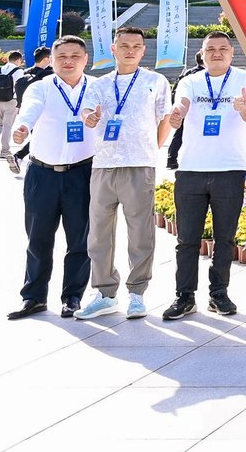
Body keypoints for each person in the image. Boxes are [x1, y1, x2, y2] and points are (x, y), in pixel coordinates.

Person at [74, 28, 172, 321]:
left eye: (136, 46)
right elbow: (86, 112)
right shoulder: (100, 84)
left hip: (139, 165)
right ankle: (105, 293)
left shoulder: (155, 81)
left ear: (143, 50)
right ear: (113, 48)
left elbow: (165, 118)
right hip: (103, 165)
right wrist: (90, 118)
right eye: (124, 45)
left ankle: (137, 294)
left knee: (140, 232)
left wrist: (152, 149)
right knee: (99, 233)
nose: (130, 50)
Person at [161, 32, 246, 319]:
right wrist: (177, 114)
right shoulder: (191, 81)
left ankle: (219, 294)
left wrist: (243, 111)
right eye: (210, 49)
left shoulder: (245, 80)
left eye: (223, 49)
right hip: (191, 169)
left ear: (232, 53)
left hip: (229, 169)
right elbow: (182, 104)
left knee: (225, 238)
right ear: (202, 54)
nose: (217, 53)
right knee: (187, 239)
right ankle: (184, 296)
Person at [7, 36, 98, 320]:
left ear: (85, 59)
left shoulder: (97, 88)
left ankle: (72, 297)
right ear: (53, 60)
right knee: (38, 238)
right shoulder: (41, 87)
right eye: (62, 57)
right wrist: (23, 128)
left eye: (75, 56)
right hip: (42, 173)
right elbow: (29, 110)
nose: (68, 61)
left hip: (82, 173)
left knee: (80, 239)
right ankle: (33, 297)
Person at [10, 46, 53, 168]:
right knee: (41, 137)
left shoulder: (25, 73)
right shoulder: (49, 76)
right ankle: (21, 157)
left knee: (38, 136)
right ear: (46, 59)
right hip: (44, 113)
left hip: (25, 110)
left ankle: (19, 157)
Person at [0, 50, 25, 171]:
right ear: (18, 60)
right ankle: (5, 150)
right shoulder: (19, 71)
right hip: (11, 101)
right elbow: (20, 87)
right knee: (7, 126)